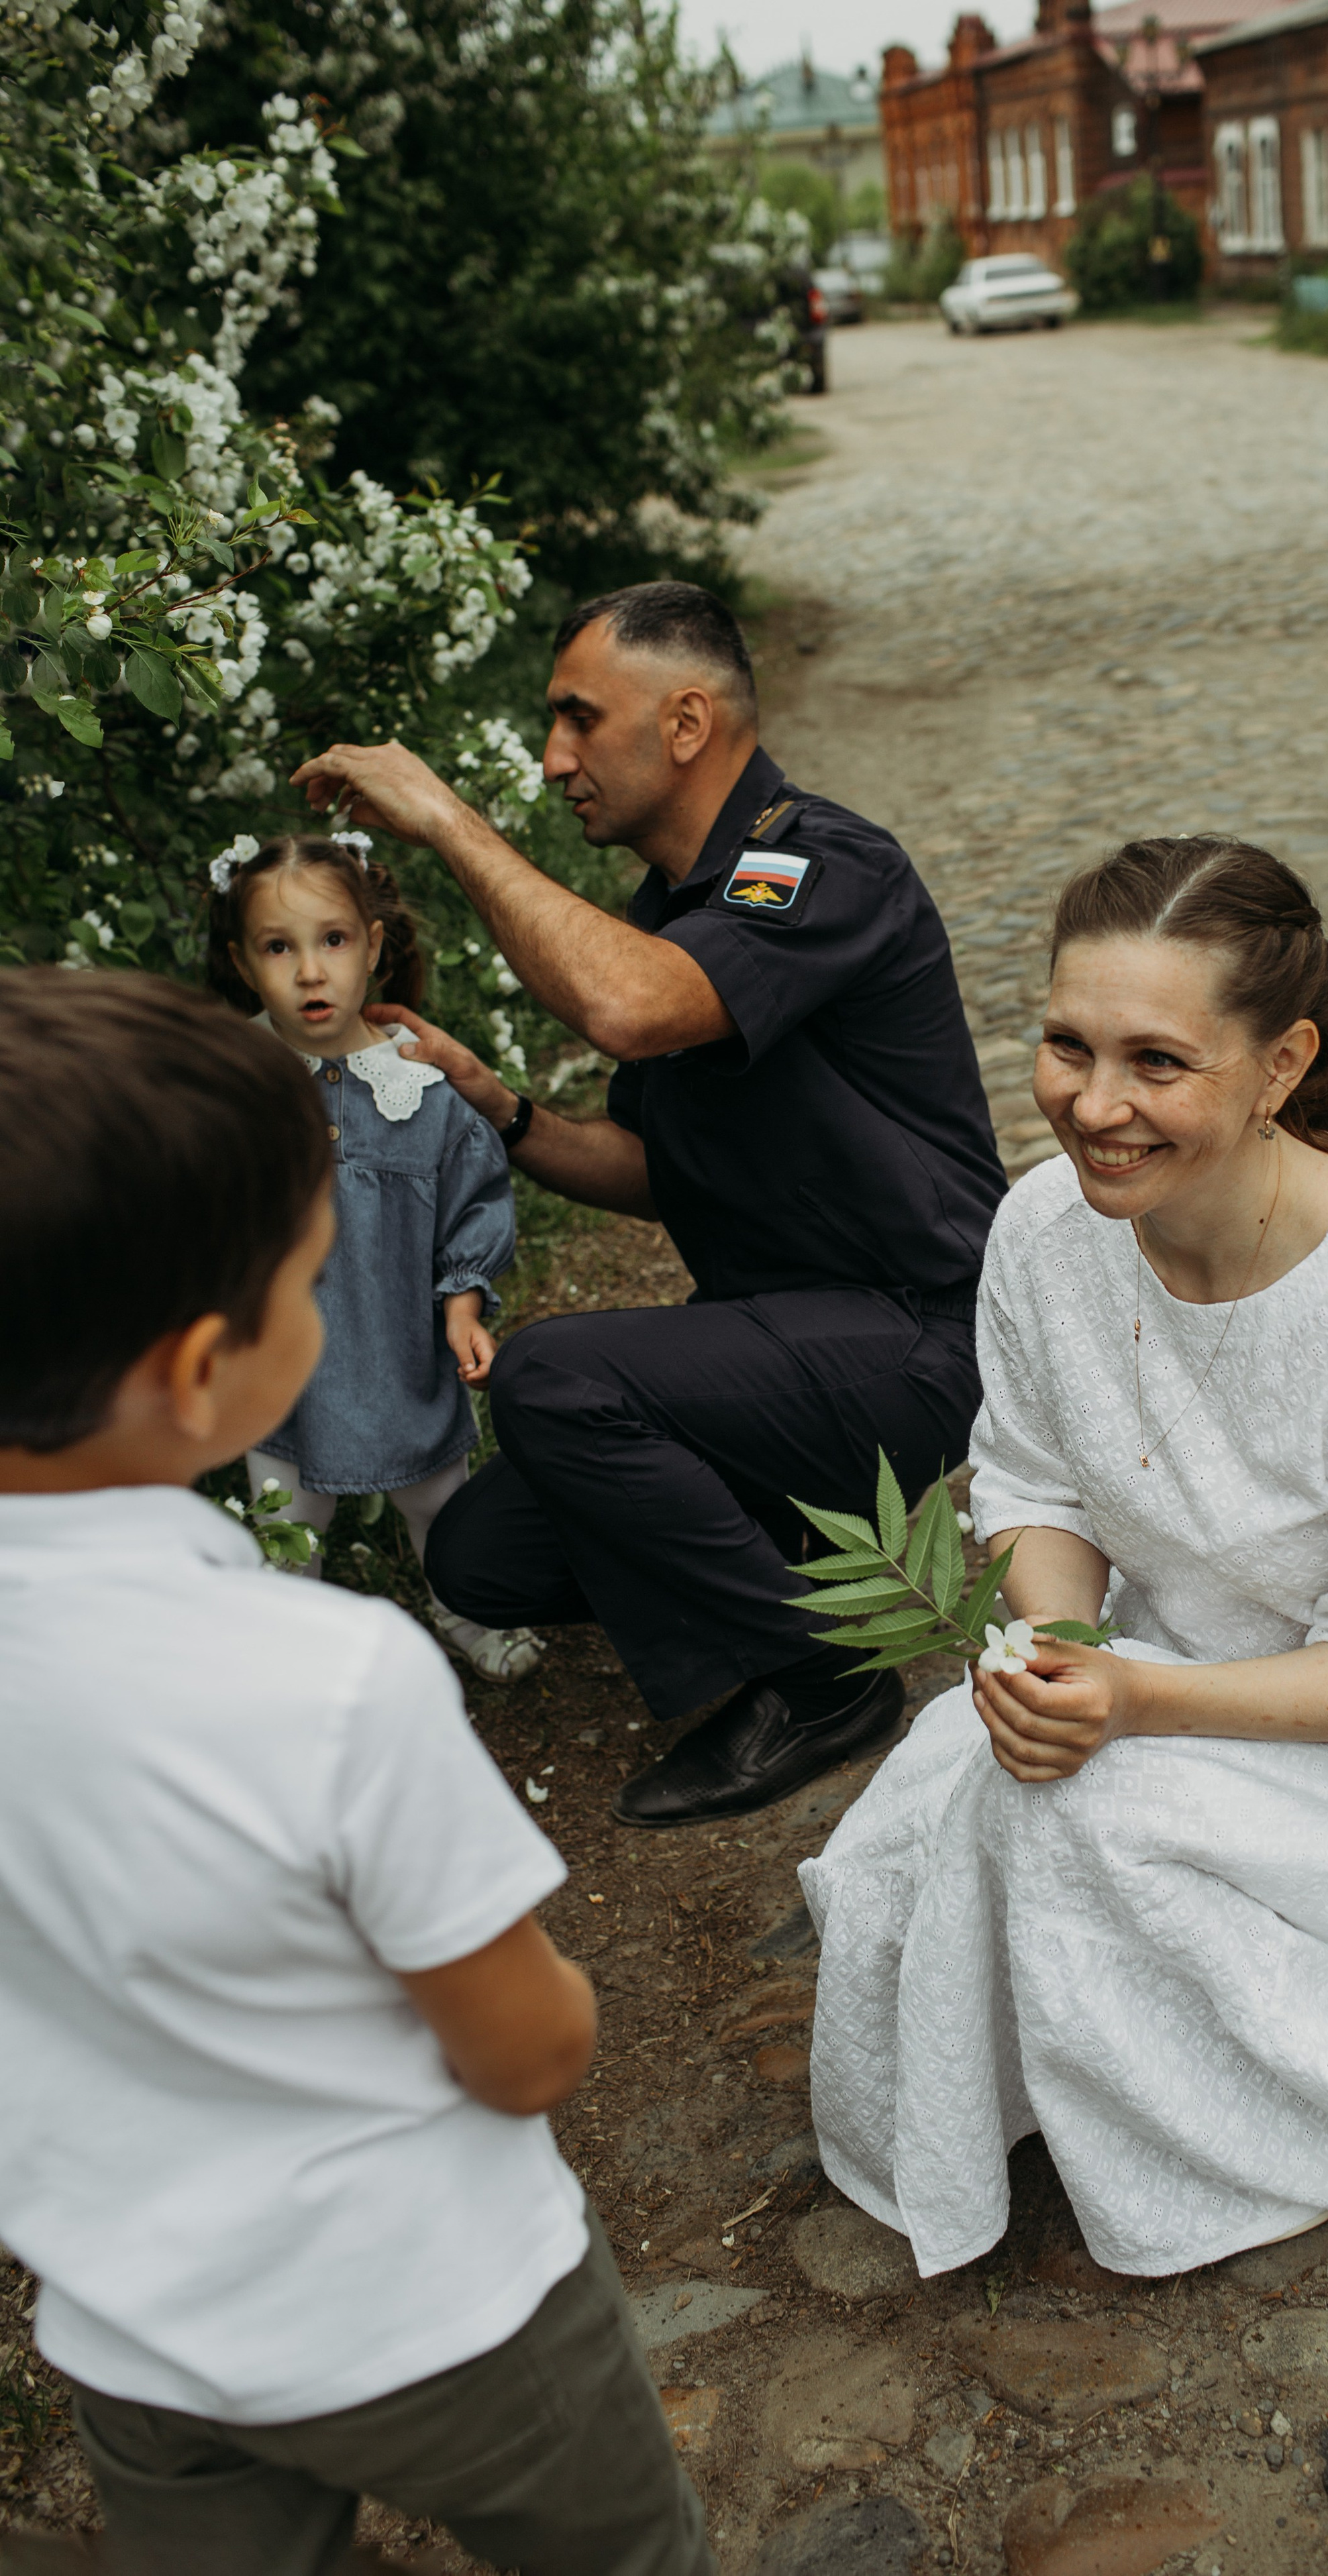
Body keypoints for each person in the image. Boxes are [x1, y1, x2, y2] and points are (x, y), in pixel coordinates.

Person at [799, 838, 1328, 2279]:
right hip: (1164, 1656)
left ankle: (1203, 2159)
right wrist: (1062, 1645)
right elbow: (1026, 1477)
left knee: (1055, 1816)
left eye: (1155, 1062)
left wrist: (1127, 1700)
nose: (1092, 1104)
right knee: (973, 1791)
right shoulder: (1039, 1228)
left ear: (1280, 1064)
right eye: (1065, 1047)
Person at [0, 969, 714, 2576]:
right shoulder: (323, 1679)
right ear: (202, 1374)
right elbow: (527, 2051)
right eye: (309, 1287)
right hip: (443, 2312)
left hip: (137, 2344)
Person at [291, 580, 1007, 1827]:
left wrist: (449, 824)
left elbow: (630, 1006)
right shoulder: (665, 916)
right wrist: (498, 1106)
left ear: (685, 725)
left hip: (919, 1336)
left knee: (556, 1379)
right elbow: (648, 1165)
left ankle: (826, 1675)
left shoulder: (818, 864)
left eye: (578, 718)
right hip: (783, 1351)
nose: (556, 757)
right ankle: (812, 1569)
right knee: (481, 1557)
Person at [207, 824, 540, 1680]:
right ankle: (298, 1650)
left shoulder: (417, 1088)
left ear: (373, 947)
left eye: (333, 941)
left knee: (440, 1504)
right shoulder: (231, 1083)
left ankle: (462, 1610)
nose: (310, 971)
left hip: (396, 1346)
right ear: (244, 965)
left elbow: (472, 1204)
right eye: (278, 948)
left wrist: (463, 1303)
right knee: (287, 1516)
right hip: (283, 1362)